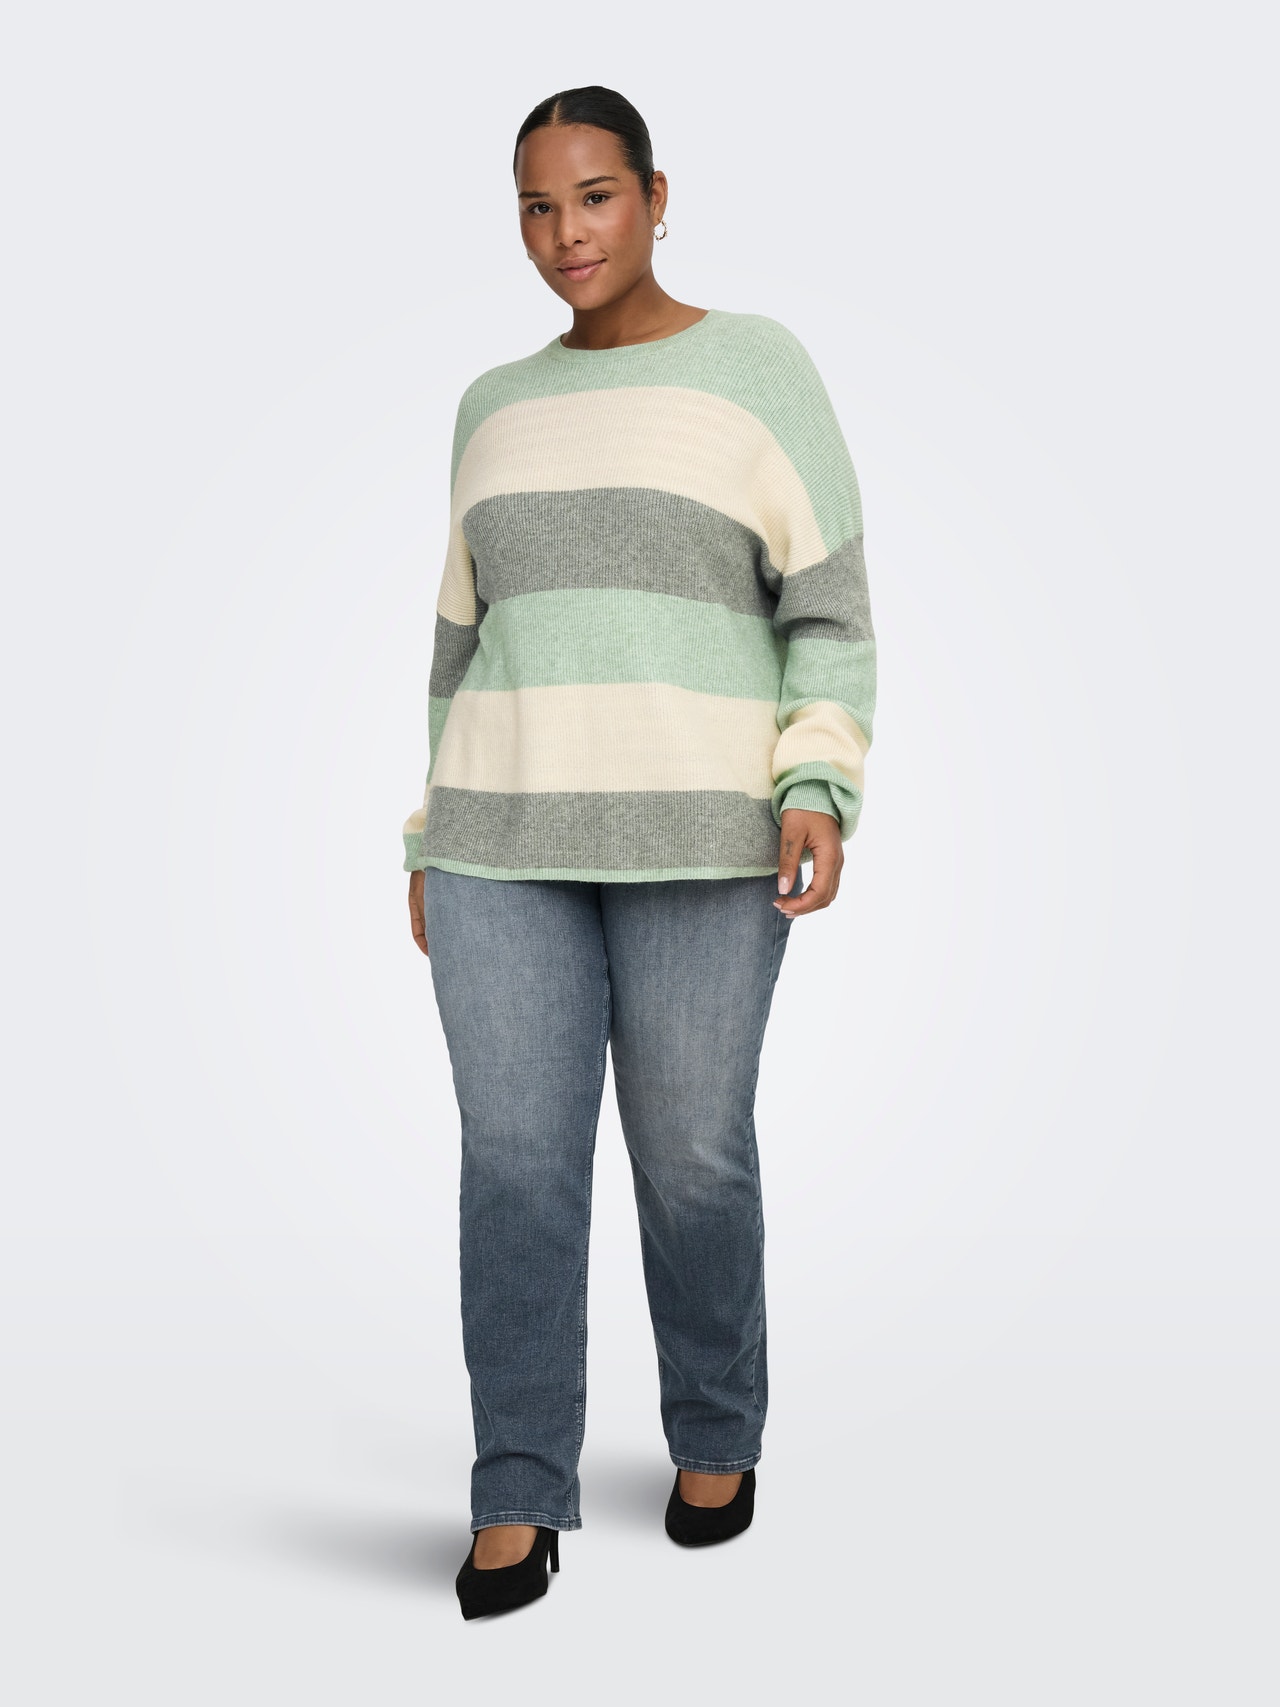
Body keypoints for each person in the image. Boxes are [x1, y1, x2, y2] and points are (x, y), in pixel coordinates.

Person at [402, 84, 877, 1621]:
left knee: (693, 1162)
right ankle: (515, 1490)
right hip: (499, 845)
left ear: (658, 197)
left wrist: (818, 781)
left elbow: (827, 607)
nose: (566, 234)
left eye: (594, 197)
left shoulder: (757, 369)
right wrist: (429, 831)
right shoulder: (492, 402)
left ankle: (717, 1429)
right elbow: (460, 645)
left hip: (703, 840)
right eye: (537, 208)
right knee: (515, 1173)